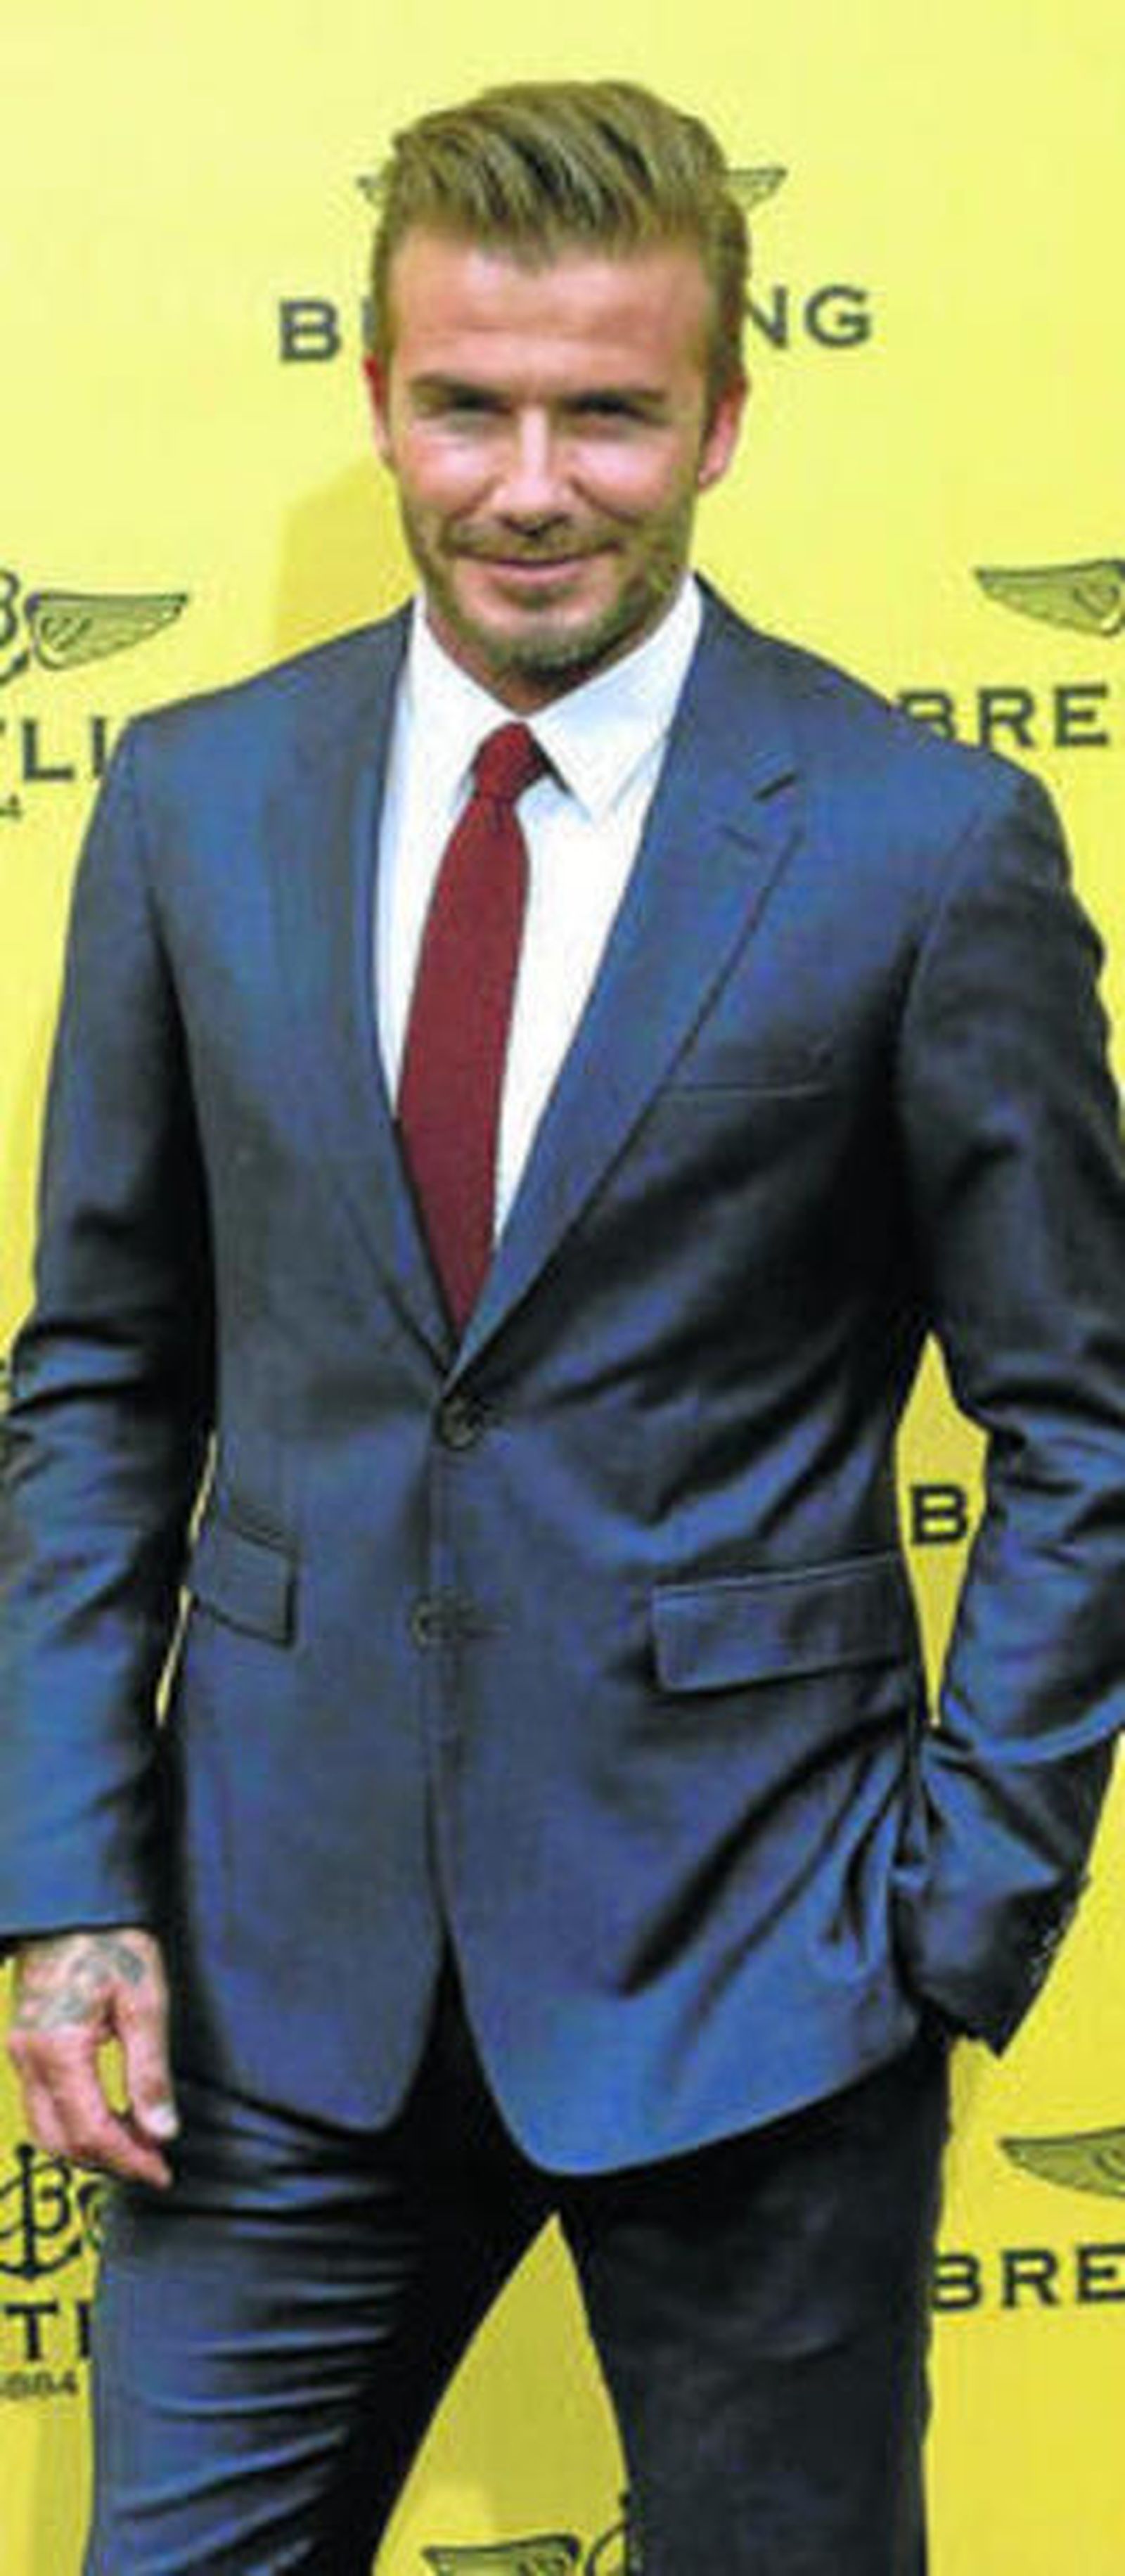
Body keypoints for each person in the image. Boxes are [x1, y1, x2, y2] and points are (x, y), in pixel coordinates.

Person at [1, 76, 1124, 2576]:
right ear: (376, 397)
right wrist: (70, 1885)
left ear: (722, 415)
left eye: (608, 413)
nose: (531, 486)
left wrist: (956, 1919)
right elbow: (100, 1379)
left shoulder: (921, 838)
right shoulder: (190, 800)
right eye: (469, 408)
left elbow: (1084, 1416)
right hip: (259, 1984)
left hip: (763, 1976)